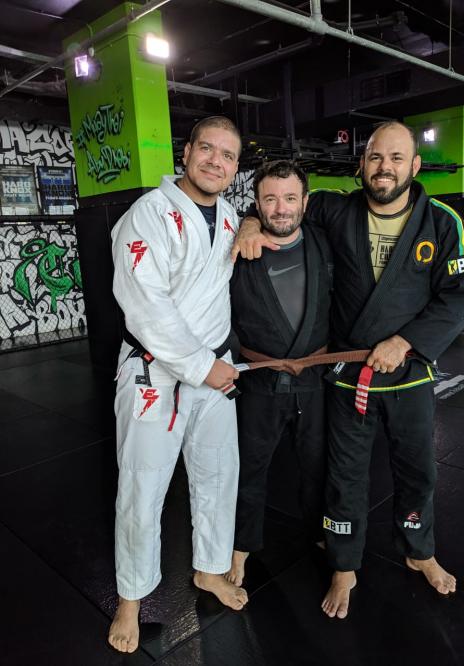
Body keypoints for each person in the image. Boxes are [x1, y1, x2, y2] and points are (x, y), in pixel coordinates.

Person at [232, 121, 464, 619]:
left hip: (408, 371)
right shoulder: (335, 209)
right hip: (347, 372)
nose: (385, 167)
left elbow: (458, 298)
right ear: (362, 164)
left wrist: (406, 341)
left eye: (396, 158)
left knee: (418, 469)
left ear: (415, 165)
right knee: (343, 473)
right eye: (375, 157)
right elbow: (282, 208)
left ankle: (419, 550)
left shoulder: (442, 222)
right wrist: (248, 223)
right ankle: (344, 564)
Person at [108, 116, 247, 653]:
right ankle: (131, 598)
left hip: (215, 370)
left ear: (236, 166)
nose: (216, 161)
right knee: (142, 487)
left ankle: (210, 568)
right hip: (155, 371)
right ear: (185, 152)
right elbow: (145, 305)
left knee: (218, 475)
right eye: (207, 149)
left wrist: (252, 224)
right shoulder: (147, 214)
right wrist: (200, 365)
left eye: (228, 155)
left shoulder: (231, 216)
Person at [225, 160, 332, 586]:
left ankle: (321, 531)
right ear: (257, 203)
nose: (281, 208)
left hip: (314, 380)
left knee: (318, 465)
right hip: (259, 381)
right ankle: (241, 546)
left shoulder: (325, 241)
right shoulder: (237, 249)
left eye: (290, 198)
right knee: (248, 468)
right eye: (270, 199)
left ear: (305, 201)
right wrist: (247, 226)